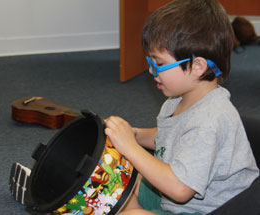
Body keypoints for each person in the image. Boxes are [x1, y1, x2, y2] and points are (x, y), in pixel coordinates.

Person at [104, 0, 259, 214]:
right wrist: (136, 135)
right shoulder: (180, 98)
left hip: (208, 209)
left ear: (197, 66)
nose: (151, 71)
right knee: (121, 185)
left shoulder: (209, 120)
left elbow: (180, 190)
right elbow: (172, 135)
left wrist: (130, 147)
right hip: (173, 194)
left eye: (158, 63)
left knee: (130, 212)